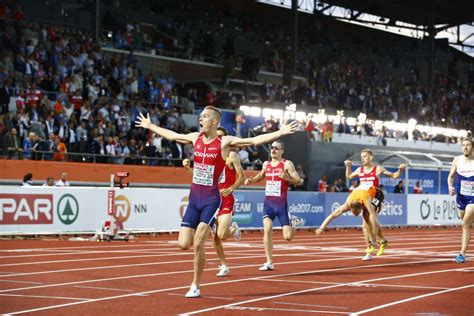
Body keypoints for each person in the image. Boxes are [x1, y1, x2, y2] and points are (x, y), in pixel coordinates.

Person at [135, 106, 297, 298]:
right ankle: (204, 264)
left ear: (214, 122)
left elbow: (252, 140)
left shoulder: (224, 143)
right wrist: (150, 126)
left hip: (212, 200)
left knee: (198, 243)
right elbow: (172, 135)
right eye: (200, 116)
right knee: (183, 244)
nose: (200, 119)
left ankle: (195, 285)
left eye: (204, 116)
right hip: (194, 199)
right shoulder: (195, 137)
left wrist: (280, 132)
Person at [182, 127, 244, 277]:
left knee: (222, 235)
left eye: (221, 137)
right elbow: (198, 177)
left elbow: (241, 177)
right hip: (211, 197)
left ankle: (233, 228)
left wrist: (231, 188)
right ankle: (224, 265)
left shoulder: (231, 156)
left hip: (225, 198)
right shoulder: (208, 156)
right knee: (214, 237)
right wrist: (188, 168)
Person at [244, 139, 303, 271]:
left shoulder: (286, 164)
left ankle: (293, 223)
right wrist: (252, 180)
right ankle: (269, 262)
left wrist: (286, 178)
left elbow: (298, 181)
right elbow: (261, 175)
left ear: (282, 150)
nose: (273, 150)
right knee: (267, 229)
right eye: (272, 147)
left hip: (281, 205)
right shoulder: (266, 164)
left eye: (276, 148)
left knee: (287, 237)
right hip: (268, 203)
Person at [345, 149, 406, 257]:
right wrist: (348, 167)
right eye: (361, 157)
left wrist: (400, 170)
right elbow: (349, 176)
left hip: (376, 197)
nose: (362, 158)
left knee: (365, 222)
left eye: (364, 156)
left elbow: (394, 176)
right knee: (367, 223)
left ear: (371, 157)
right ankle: (382, 240)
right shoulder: (360, 170)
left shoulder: (378, 169)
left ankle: (369, 248)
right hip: (364, 197)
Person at [316, 186, 383, 261]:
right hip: (362, 193)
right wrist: (322, 227)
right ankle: (369, 250)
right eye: (353, 212)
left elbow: (372, 215)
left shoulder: (366, 201)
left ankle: (380, 240)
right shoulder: (348, 203)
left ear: (360, 208)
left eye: (356, 213)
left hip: (377, 195)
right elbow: (333, 215)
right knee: (365, 225)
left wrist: (373, 239)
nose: (355, 215)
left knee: (368, 221)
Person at [447, 138, 473, 263]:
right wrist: (450, 187)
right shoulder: (457, 160)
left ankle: (462, 253)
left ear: (472, 147)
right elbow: (450, 176)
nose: (465, 148)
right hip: (461, 197)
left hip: (472, 198)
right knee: (464, 223)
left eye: (468, 145)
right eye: (463, 145)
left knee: (465, 223)